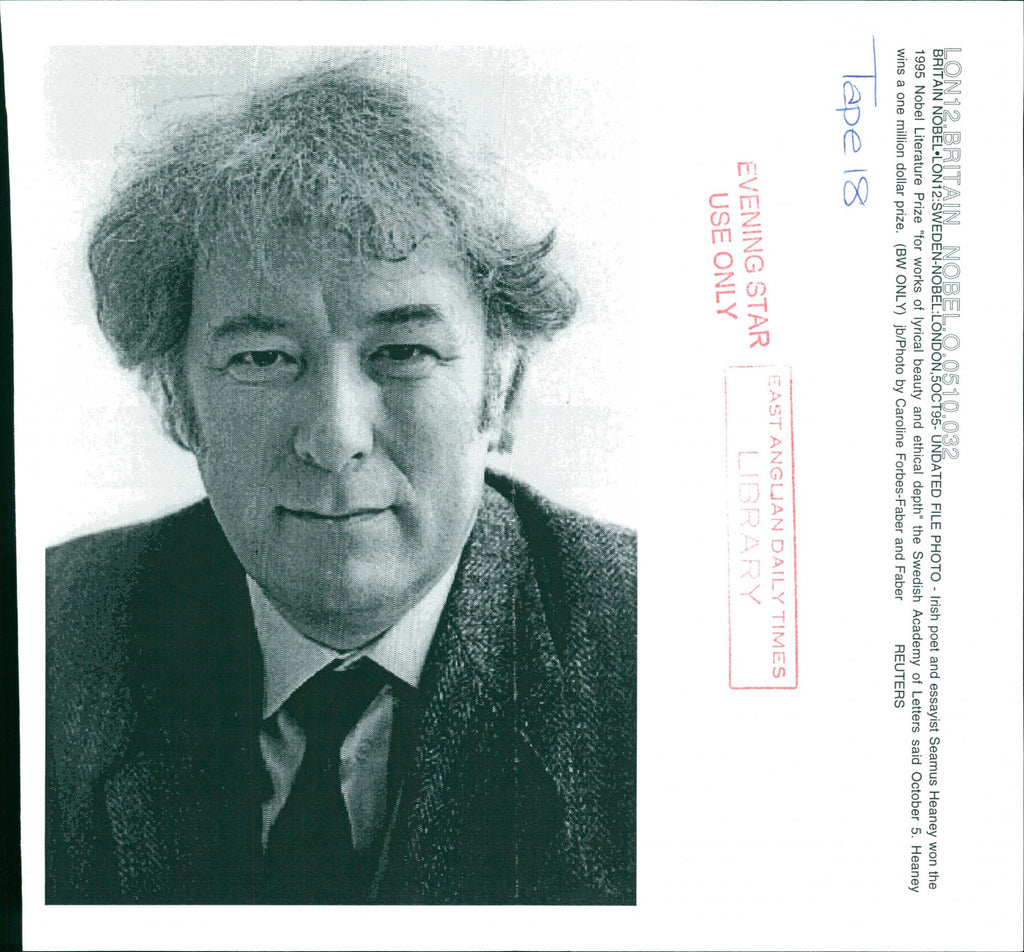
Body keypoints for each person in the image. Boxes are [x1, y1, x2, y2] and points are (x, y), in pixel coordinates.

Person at [45, 61, 636, 905]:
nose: (334, 438)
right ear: (177, 402)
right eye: (262, 358)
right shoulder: (54, 639)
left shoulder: (651, 650)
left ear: (500, 391)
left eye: (403, 352)